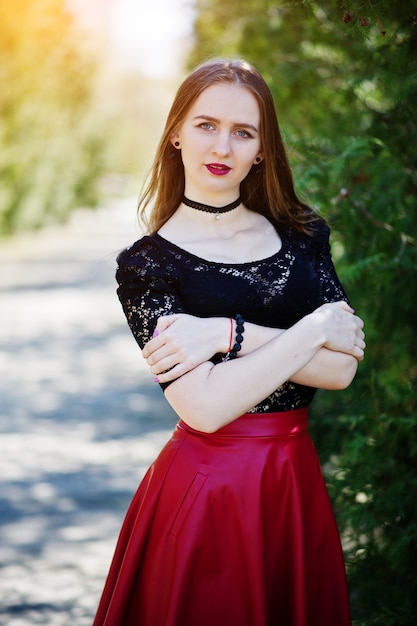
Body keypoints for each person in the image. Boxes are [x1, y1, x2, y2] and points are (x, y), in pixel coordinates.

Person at [93, 59, 365, 626]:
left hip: (293, 480)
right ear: (175, 133)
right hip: (206, 490)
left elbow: (341, 370)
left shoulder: (304, 234)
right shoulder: (148, 267)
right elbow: (207, 407)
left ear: (262, 150)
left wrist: (225, 333)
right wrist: (312, 330)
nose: (223, 145)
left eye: (244, 132)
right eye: (205, 125)